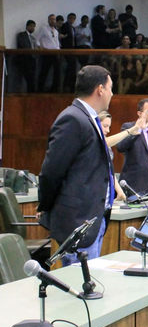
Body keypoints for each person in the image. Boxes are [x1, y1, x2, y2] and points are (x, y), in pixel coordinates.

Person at [38, 66, 116, 264]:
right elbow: (51, 172)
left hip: (93, 219)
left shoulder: (90, 118)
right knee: (80, 282)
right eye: (110, 88)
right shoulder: (73, 118)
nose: (112, 94)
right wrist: (46, 206)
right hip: (77, 221)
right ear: (100, 89)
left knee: (89, 280)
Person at [97, 110, 140, 201]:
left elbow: (110, 170)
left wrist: (119, 191)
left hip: (107, 188)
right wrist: (130, 131)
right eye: (105, 126)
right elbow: (105, 143)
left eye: (109, 127)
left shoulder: (106, 141)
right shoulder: (93, 140)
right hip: (94, 188)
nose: (108, 130)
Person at [36, 14, 61, 92]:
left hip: (55, 53)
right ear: (48, 20)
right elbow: (37, 39)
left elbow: (57, 43)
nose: (53, 21)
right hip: (47, 53)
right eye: (51, 19)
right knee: (44, 72)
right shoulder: (44, 29)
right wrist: (40, 48)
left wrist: (58, 52)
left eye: (54, 19)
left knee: (56, 72)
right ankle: (40, 90)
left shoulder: (56, 31)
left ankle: (54, 89)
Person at [15, 20, 38, 92]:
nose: (32, 28)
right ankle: (31, 92)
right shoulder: (22, 35)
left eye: (34, 26)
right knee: (29, 77)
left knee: (32, 77)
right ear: (27, 26)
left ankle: (31, 92)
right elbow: (24, 45)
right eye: (31, 26)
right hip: (25, 59)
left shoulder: (33, 38)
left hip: (32, 59)